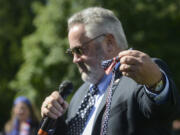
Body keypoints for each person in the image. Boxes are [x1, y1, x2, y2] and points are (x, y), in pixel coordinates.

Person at [40, 7, 180, 135]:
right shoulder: (79, 95)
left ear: (109, 43)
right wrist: (53, 120)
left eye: (79, 50)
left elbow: (165, 112)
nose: (75, 59)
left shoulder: (141, 75)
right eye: (72, 52)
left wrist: (156, 84)